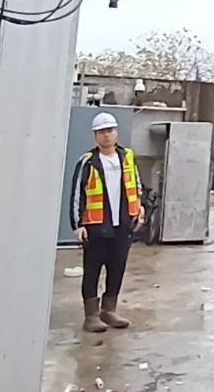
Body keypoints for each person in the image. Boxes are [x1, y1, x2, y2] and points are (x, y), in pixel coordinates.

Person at [69, 112, 145, 333]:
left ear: (116, 133)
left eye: (110, 130)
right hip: (96, 226)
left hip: (122, 224)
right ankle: (91, 315)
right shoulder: (87, 161)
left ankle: (109, 310)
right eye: (102, 132)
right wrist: (77, 224)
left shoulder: (127, 157)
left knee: (117, 267)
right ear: (95, 136)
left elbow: (136, 185)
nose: (107, 135)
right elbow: (77, 193)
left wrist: (139, 209)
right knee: (92, 270)